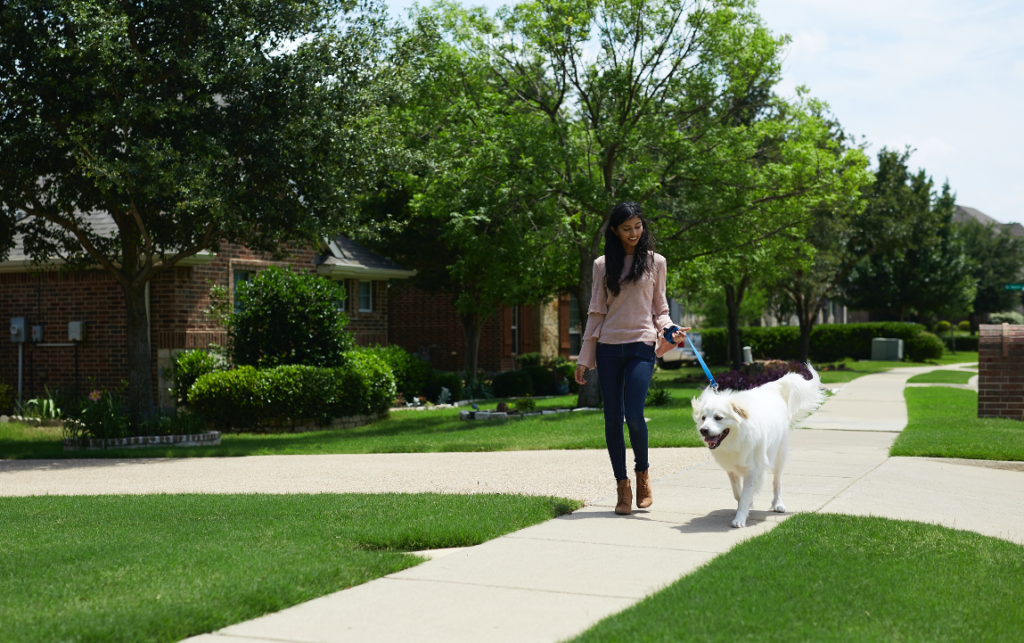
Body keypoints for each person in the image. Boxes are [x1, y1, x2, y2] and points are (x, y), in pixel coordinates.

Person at [574, 202, 688, 515]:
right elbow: (597, 312)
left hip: (641, 345)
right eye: (627, 228)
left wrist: (672, 330)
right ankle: (622, 487)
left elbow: (660, 310)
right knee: (612, 418)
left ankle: (643, 476)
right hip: (609, 347)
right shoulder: (601, 265)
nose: (634, 233)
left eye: (638, 226)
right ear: (615, 231)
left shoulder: (656, 262)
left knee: (634, 415)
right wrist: (585, 357)